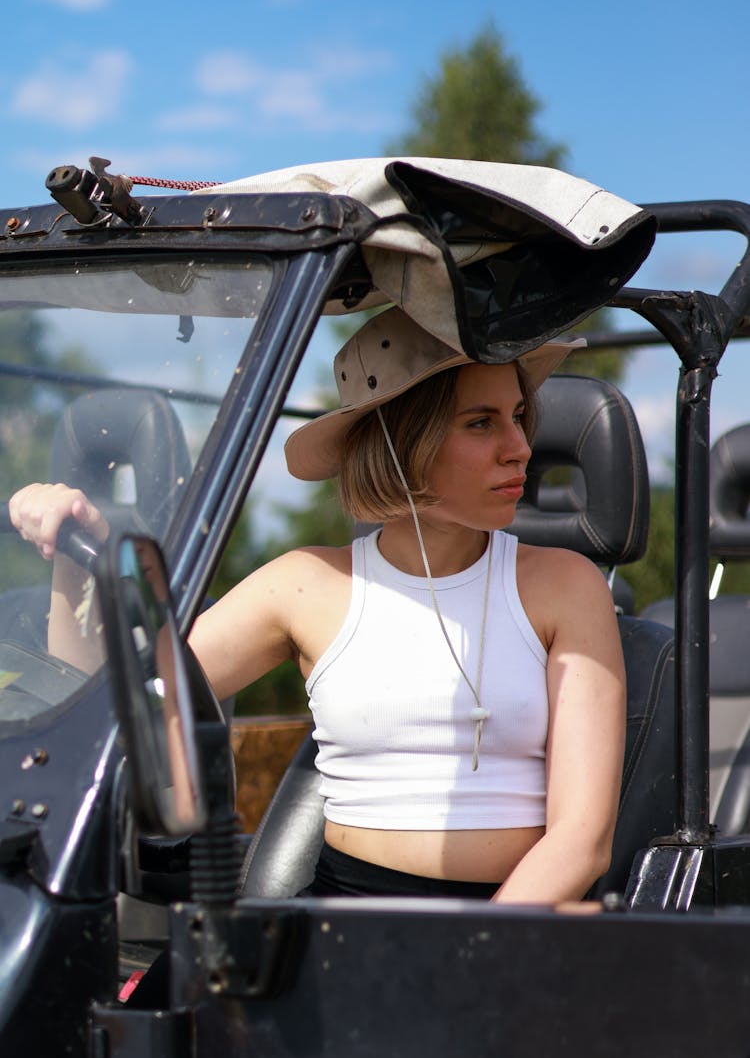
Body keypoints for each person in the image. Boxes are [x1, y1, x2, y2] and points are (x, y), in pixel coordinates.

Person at [9, 307, 625, 905]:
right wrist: (67, 547)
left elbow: (581, 842)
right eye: (482, 423)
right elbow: (112, 710)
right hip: (338, 924)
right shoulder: (304, 584)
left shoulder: (568, 586)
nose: (520, 447)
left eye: (519, 416)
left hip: (515, 928)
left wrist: (471, 957)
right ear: (403, 439)